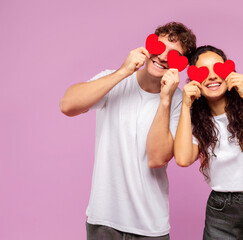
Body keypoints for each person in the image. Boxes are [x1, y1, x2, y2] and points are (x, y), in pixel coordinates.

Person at [60, 22, 196, 240]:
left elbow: (157, 158)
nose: (162, 57)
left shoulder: (180, 102)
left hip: (150, 226)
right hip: (103, 220)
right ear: (148, 45)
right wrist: (123, 72)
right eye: (159, 48)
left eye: (173, 56)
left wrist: (165, 99)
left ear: (180, 65)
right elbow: (67, 105)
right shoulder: (113, 80)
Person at [174, 45, 243, 240]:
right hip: (222, 211)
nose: (211, 77)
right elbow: (184, 159)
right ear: (194, 81)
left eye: (217, 69)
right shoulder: (194, 119)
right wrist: (185, 105)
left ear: (229, 72)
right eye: (203, 72)